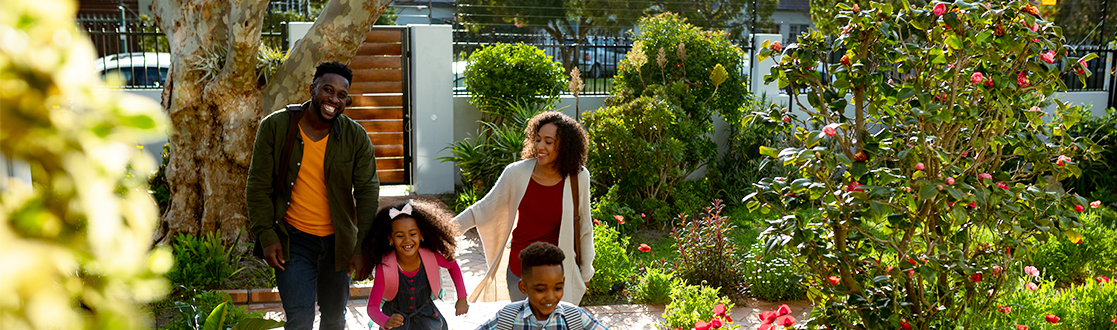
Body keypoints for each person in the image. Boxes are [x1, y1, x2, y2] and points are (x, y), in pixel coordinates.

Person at [246, 61, 379, 330]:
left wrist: (361, 247)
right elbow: (257, 186)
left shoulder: (356, 137)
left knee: (333, 318)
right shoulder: (275, 127)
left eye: (342, 95)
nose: (334, 99)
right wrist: (267, 235)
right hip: (293, 240)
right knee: (300, 319)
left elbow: (367, 192)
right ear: (312, 89)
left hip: (338, 242)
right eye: (328, 90)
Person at [453, 111, 595, 304]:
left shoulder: (578, 177)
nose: (539, 146)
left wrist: (586, 274)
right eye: (537, 139)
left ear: (565, 146)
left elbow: (585, 228)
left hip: (558, 274)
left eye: (548, 141)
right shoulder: (516, 173)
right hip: (520, 272)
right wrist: (442, 231)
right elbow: (482, 210)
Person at [363, 200, 470, 329]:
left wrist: (462, 297)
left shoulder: (430, 257)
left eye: (413, 234)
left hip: (426, 319)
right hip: (396, 322)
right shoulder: (385, 266)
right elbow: (372, 307)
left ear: (421, 234)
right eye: (399, 235)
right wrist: (385, 320)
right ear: (390, 238)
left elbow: (452, 265)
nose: (407, 240)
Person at [476, 242, 609, 330]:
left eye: (557, 288)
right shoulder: (507, 318)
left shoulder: (575, 318)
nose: (550, 297)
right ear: (523, 287)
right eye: (540, 290)